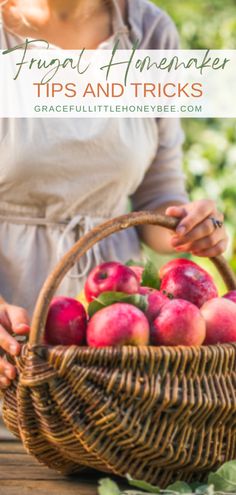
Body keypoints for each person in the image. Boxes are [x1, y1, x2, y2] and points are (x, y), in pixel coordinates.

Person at [0, 0, 228, 391]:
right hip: (13, 337)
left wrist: (189, 225)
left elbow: (158, 192)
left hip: (121, 352)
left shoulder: (149, 31)